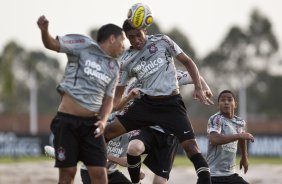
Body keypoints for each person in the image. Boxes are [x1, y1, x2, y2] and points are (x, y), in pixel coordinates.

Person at [104, 19, 213, 184]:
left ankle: (205, 179)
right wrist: (107, 110)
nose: (135, 40)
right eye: (130, 37)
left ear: (145, 31)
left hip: (171, 106)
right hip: (146, 106)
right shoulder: (126, 60)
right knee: (107, 133)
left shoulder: (162, 41)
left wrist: (200, 87)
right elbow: (117, 97)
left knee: (191, 147)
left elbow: (188, 63)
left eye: (138, 35)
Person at [37, 15, 125, 184]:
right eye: (122, 41)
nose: (124, 46)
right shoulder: (83, 44)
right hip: (67, 122)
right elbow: (51, 44)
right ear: (112, 38)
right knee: (68, 174)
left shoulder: (114, 67)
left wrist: (104, 120)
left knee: (100, 175)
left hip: (92, 125)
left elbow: (108, 100)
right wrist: (45, 31)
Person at [124, 70, 213, 184]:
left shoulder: (169, 74)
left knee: (159, 182)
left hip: (169, 134)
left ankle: (205, 178)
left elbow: (196, 76)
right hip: (146, 129)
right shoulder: (134, 86)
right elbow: (123, 105)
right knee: (134, 147)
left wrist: (204, 88)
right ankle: (136, 182)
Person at [206, 90, 255, 184]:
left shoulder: (238, 122)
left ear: (235, 104)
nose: (226, 102)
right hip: (213, 175)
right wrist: (239, 135)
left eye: (229, 100)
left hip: (230, 175)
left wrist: (244, 156)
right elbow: (214, 139)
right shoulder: (216, 119)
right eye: (223, 100)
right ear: (218, 104)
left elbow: (241, 138)